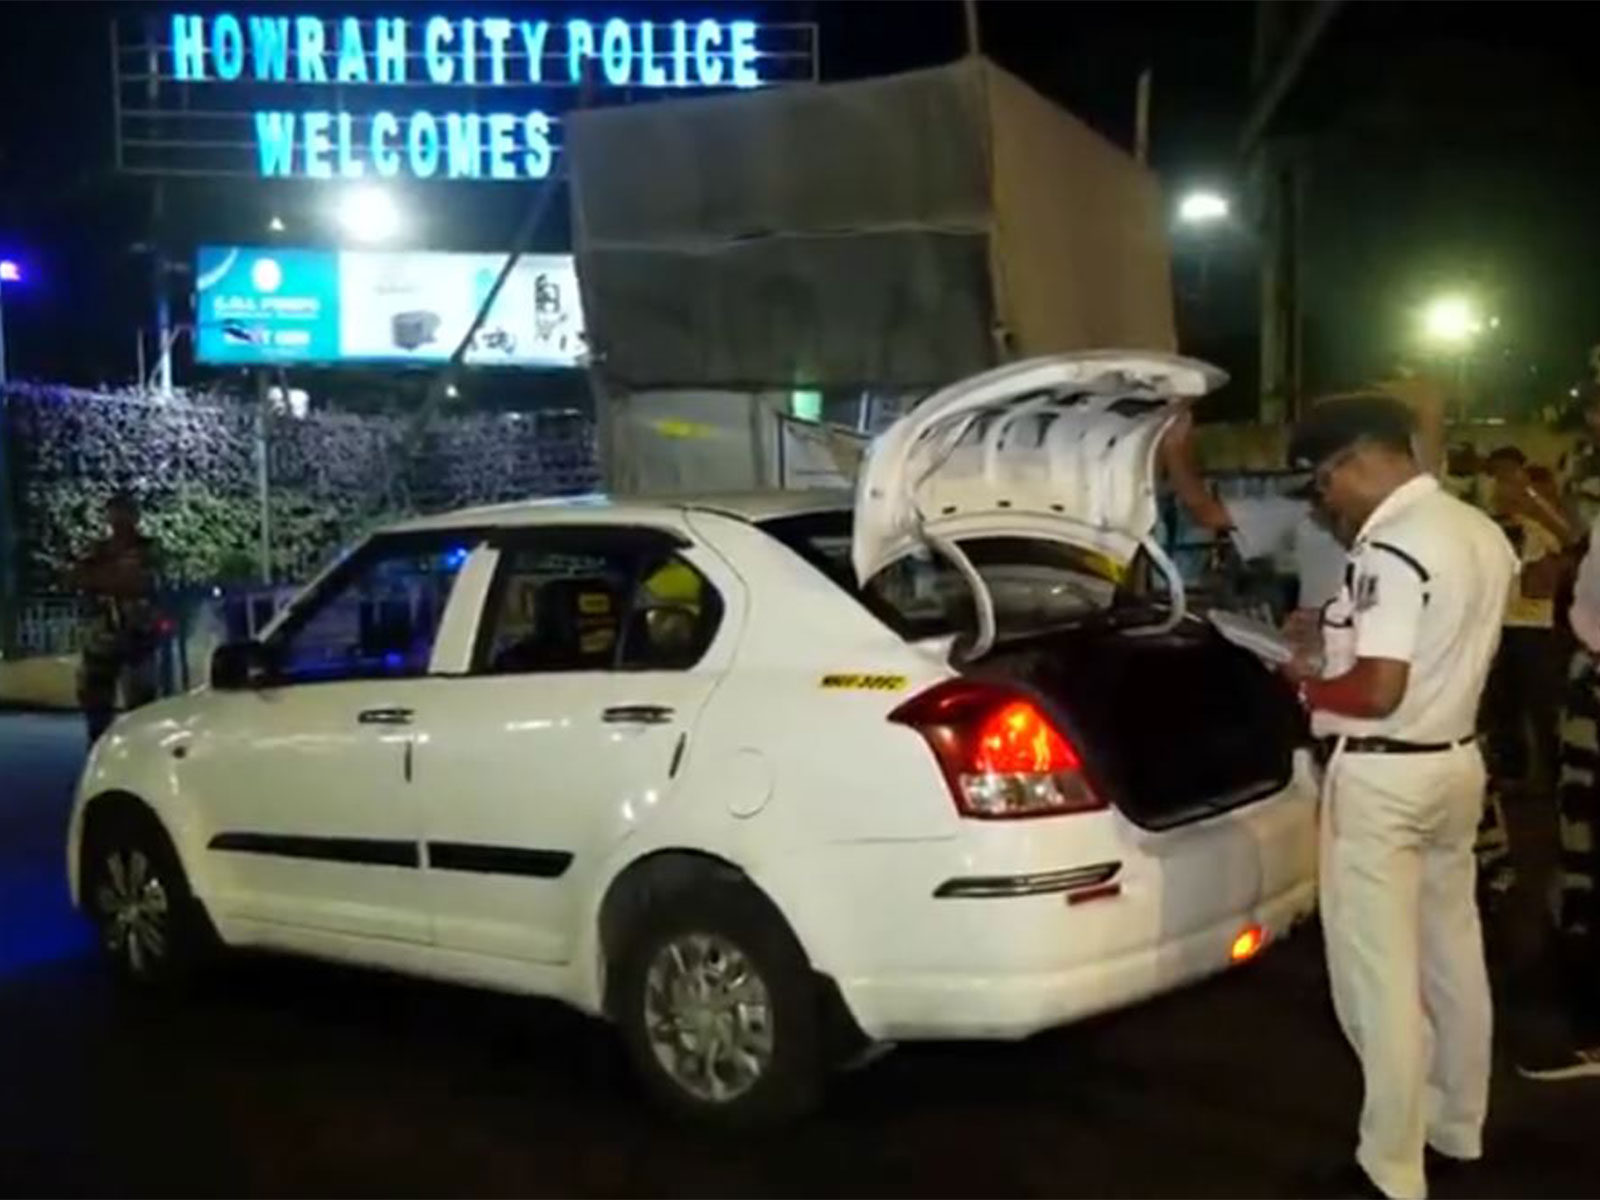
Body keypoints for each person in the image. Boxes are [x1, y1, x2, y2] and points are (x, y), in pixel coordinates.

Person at [1282, 395, 1516, 1200]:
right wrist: (1330, 640)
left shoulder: (1392, 547)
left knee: (1378, 978)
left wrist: (1305, 689)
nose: (1326, 502)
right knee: (1454, 958)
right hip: (1455, 763)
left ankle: (1391, 1168)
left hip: (1385, 774)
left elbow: (1379, 689)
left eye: (1323, 483)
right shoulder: (1476, 530)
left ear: (1353, 461)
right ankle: (1458, 1128)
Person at [68, 492, 162, 746]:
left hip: (137, 636)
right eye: (116, 513)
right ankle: (100, 752)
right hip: (103, 637)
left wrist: (108, 580)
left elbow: (142, 582)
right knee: (97, 706)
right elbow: (79, 578)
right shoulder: (98, 551)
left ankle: (138, 753)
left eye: (125, 513)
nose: (120, 520)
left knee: (141, 708)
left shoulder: (147, 550)